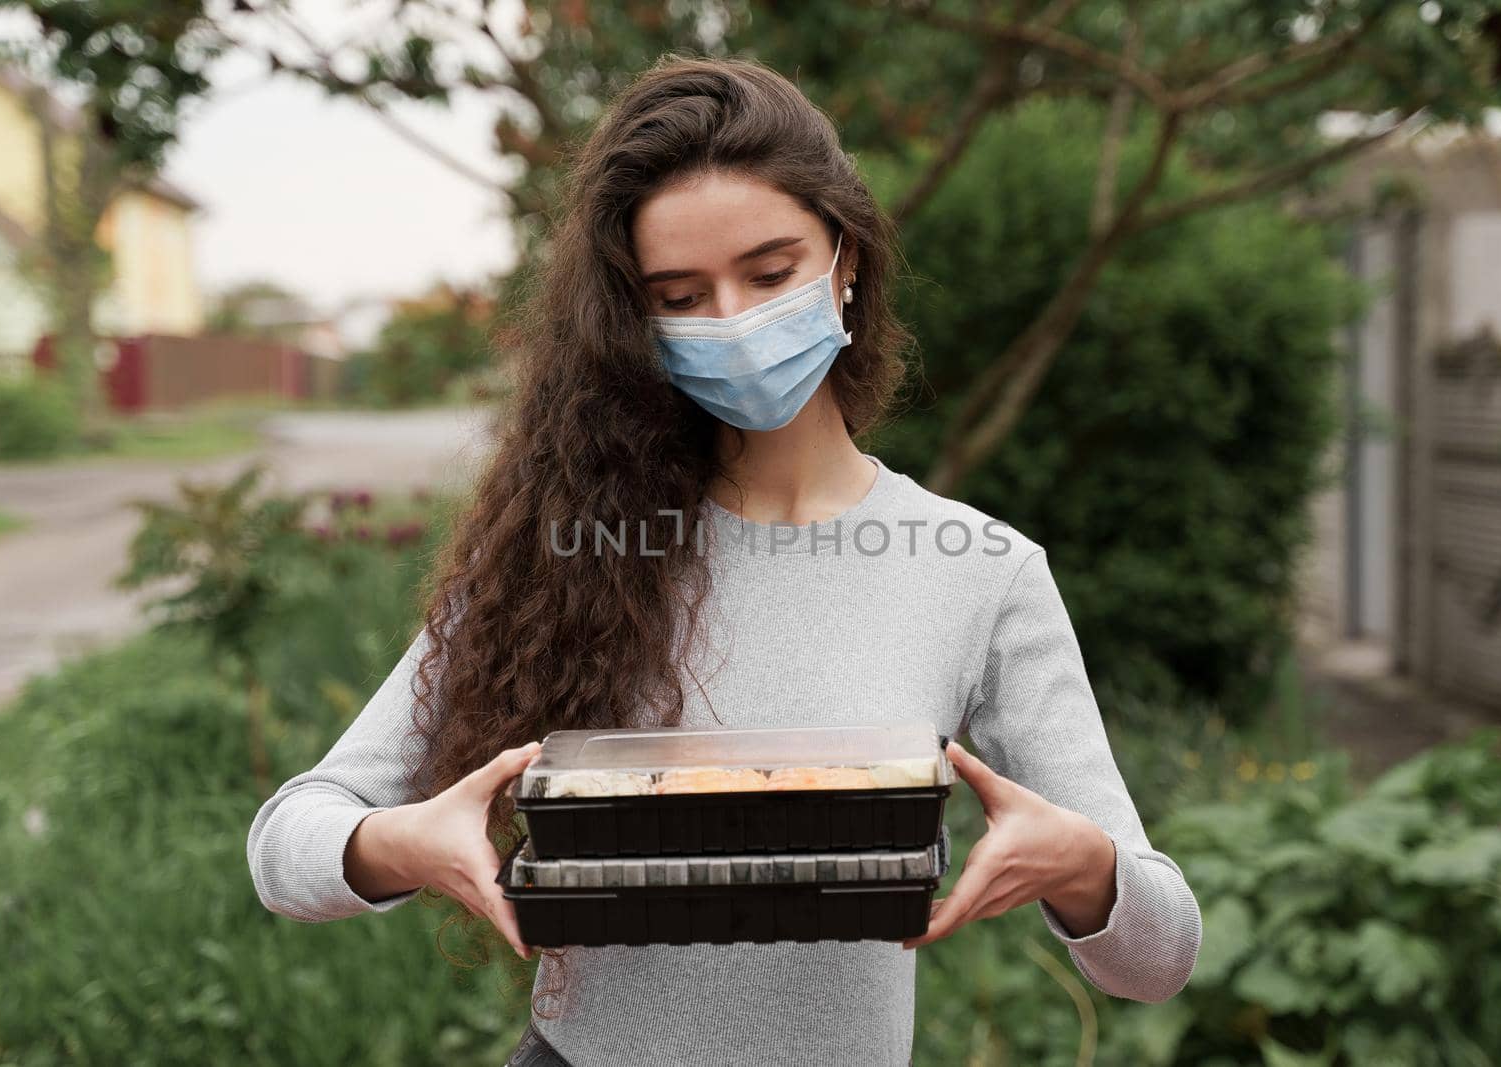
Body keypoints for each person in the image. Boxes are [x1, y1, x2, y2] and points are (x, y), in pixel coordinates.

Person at [246, 53, 1202, 1067]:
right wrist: (399, 844)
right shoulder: (567, 546)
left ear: (846, 260)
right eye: (681, 294)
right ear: (637, 323)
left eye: (770, 270)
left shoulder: (979, 570)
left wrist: (1085, 866)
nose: (735, 322)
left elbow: (1159, 955)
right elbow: (287, 841)